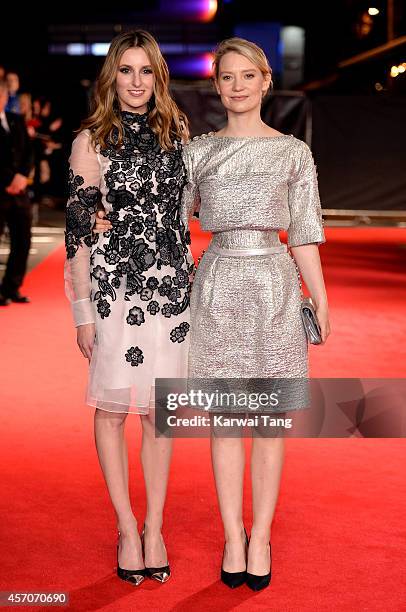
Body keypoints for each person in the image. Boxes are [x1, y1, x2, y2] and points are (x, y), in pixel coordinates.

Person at [95, 37, 331, 591]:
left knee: (269, 422)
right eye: (227, 77)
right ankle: (232, 536)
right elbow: (164, 220)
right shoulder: (196, 151)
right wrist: (109, 220)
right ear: (216, 85)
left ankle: (262, 536)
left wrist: (319, 296)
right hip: (217, 283)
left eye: (248, 76)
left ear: (266, 81)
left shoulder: (294, 152)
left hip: (275, 283)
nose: (238, 86)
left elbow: (304, 232)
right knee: (226, 420)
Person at [64, 29, 193, 586]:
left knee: (161, 416)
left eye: (146, 71)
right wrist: (82, 313)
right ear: (111, 76)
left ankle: (155, 527)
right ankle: (124, 525)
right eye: (126, 71)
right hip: (116, 293)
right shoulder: (89, 140)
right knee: (114, 411)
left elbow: (188, 216)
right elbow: (76, 232)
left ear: (157, 76)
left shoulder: (179, 134)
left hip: (170, 291)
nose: (136, 82)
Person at [0, 79, 34, 306]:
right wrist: (9, 179)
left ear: (5, 97)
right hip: (1, 189)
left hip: (19, 190)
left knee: (22, 240)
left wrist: (22, 176)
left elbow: (29, 151)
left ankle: (11, 288)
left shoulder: (16, 120)